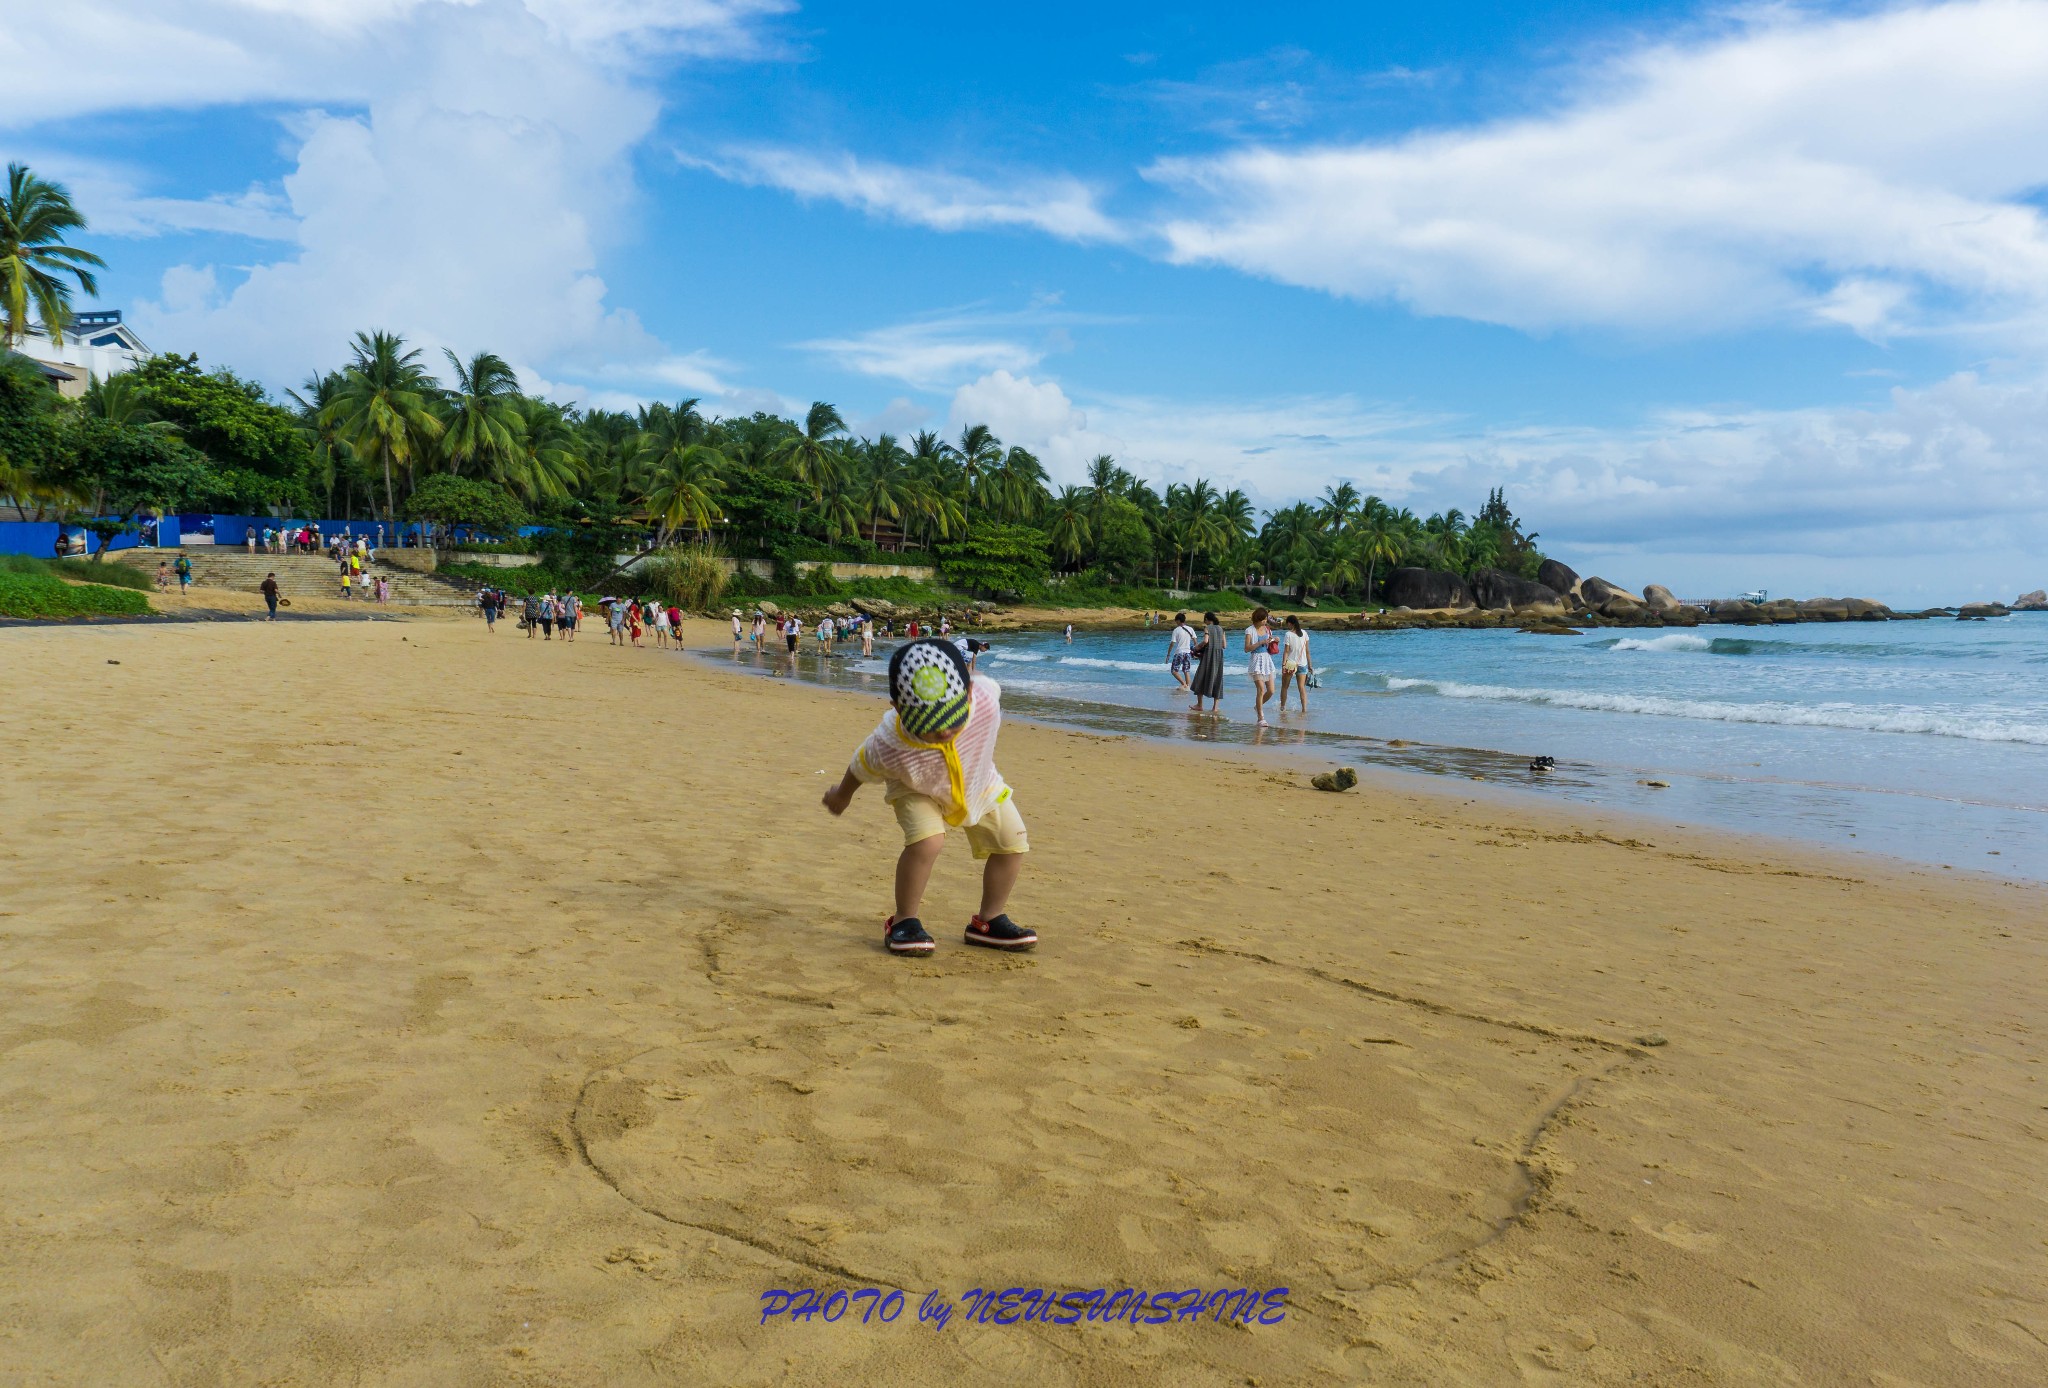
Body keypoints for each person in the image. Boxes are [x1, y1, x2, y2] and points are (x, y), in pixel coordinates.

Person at [821, 637, 1035, 956]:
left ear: (969, 695)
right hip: (914, 785)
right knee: (928, 841)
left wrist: (963, 672)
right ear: (897, 709)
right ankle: (904, 920)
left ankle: (987, 921)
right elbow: (860, 764)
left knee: (1012, 840)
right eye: (930, 726)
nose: (944, 732)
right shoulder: (889, 742)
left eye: (951, 720)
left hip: (977, 779)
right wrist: (842, 795)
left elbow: (976, 678)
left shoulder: (985, 698)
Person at [1244, 606, 1278, 726]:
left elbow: (1269, 645)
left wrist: (1274, 640)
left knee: (1271, 691)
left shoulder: (1267, 629)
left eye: (1265, 619)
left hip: (1267, 660)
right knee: (1261, 689)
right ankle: (1260, 717)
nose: (1265, 622)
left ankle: (1257, 707)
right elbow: (1247, 649)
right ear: (1257, 619)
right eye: (1263, 620)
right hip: (1256, 660)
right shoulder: (1249, 630)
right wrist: (1260, 642)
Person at [1188, 610, 1224, 713]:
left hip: (1209, 655)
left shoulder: (1207, 628)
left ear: (1207, 620)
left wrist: (1196, 647)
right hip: (1219, 656)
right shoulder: (1221, 629)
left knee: (1201, 677)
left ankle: (1199, 705)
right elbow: (1224, 645)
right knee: (1217, 678)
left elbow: (1205, 641)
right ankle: (1215, 708)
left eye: (1205, 621)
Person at [1280, 614, 1312, 713]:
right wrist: (1310, 665)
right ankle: (1304, 709)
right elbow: (1307, 651)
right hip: (1303, 664)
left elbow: (1286, 651)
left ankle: (1283, 707)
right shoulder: (1304, 633)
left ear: (1290, 623)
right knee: (1301, 688)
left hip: (1290, 664)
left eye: (1287, 624)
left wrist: (1283, 664)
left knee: (1285, 687)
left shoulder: (1288, 635)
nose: (1287, 626)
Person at [1167, 611, 1195, 692]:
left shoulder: (1176, 630)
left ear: (1179, 620)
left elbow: (1172, 643)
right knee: (1186, 670)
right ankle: (1188, 687)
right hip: (1188, 652)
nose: (1175, 622)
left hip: (1179, 652)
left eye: (1176, 620)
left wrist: (1168, 654)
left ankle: (1184, 684)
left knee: (1174, 671)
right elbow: (1195, 641)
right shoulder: (1190, 629)